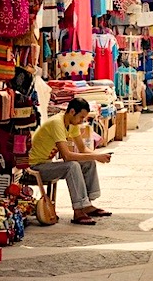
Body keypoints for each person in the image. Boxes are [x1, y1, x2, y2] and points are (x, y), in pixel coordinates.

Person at [30, 97, 113, 226]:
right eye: (81, 117)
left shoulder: (71, 124)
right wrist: (96, 157)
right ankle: (78, 210)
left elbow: (83, 149)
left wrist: (99, 155)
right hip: (34, 168)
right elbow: (67, 156)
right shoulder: (56, 123)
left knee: (88, 163)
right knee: (72, 166)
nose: (82, 121)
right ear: (72, 112)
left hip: (46, 164)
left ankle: (87, 205)